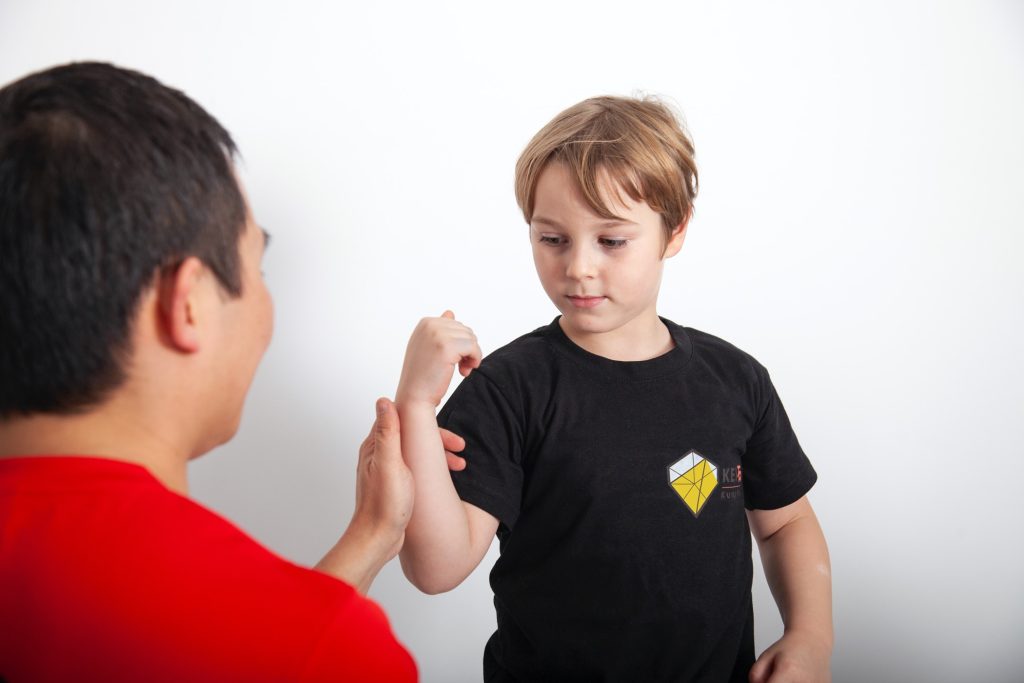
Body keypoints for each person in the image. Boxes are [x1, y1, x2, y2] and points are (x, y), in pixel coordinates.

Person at [0, 62, 464, 682]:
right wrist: (323, 631)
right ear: (186, 303)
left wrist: (373, 535)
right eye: (257, 272)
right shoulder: (329, 652)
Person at [394, 96, 834, 682]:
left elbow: (785, 523)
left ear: (673, 231)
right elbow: (435, 567)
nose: (578, 267)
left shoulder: (734, 380)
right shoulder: (507, 388)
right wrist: (417, 407)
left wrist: (810, 636)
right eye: (553, 239)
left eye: (611, 241)